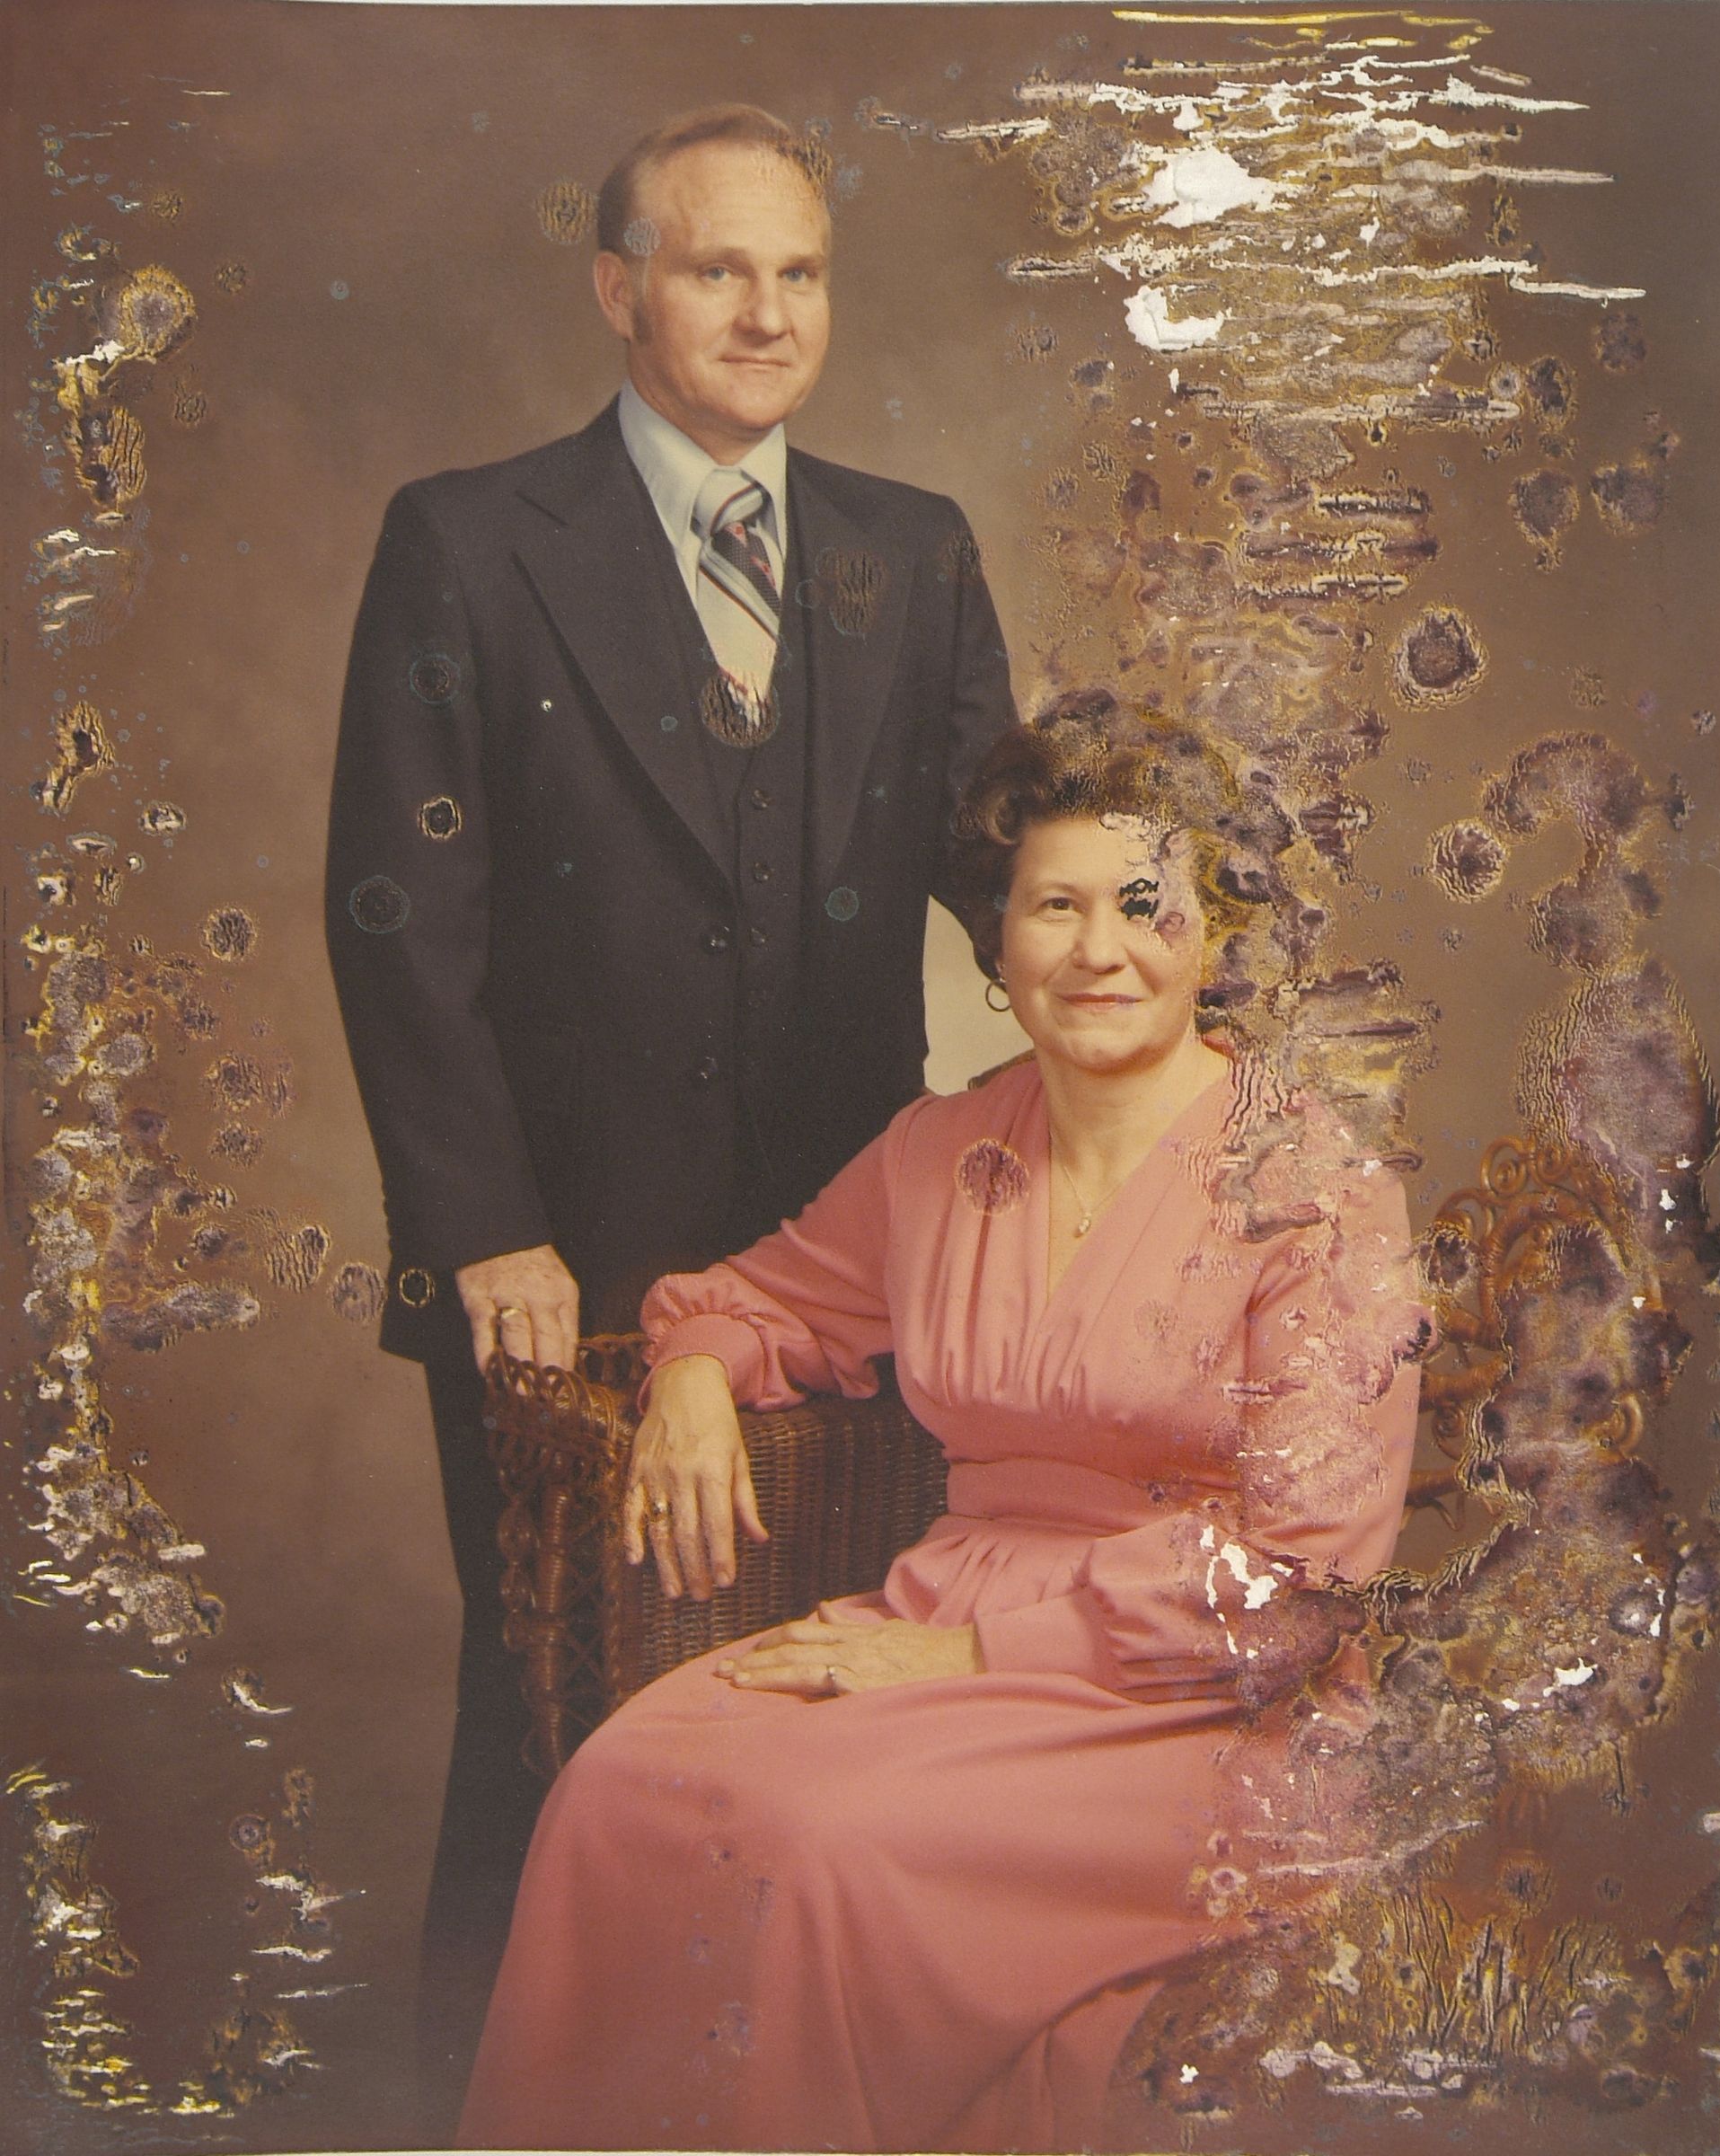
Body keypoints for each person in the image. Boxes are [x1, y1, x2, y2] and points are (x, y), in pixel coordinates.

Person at [457, 703, 1427, 2154]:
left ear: (1215, 932)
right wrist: (695, 1377)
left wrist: (981, 1652)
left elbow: (1302, 1578)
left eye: (1148, 903)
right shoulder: (941, 1152)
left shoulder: (1320, 1188)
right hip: (932, 1613)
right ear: (1000, 946)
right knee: (621, 1785)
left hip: (1207, 1704)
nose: (1101, 950)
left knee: (820, 1848)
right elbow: (747, 1300)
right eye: (1055, 906)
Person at [323, 104, 1016, 2128]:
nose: (764, 311)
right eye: (716, 268)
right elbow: (399, 920)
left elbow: (1021, 878)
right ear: (619, 288)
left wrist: (1176, 983)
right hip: (562, 1272)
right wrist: (481, 1230)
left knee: (818, 1729)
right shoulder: (468, 540)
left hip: (836, 1270)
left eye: (798, 272)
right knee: (554, 1722)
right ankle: (484, 2106)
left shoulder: (915, 550)